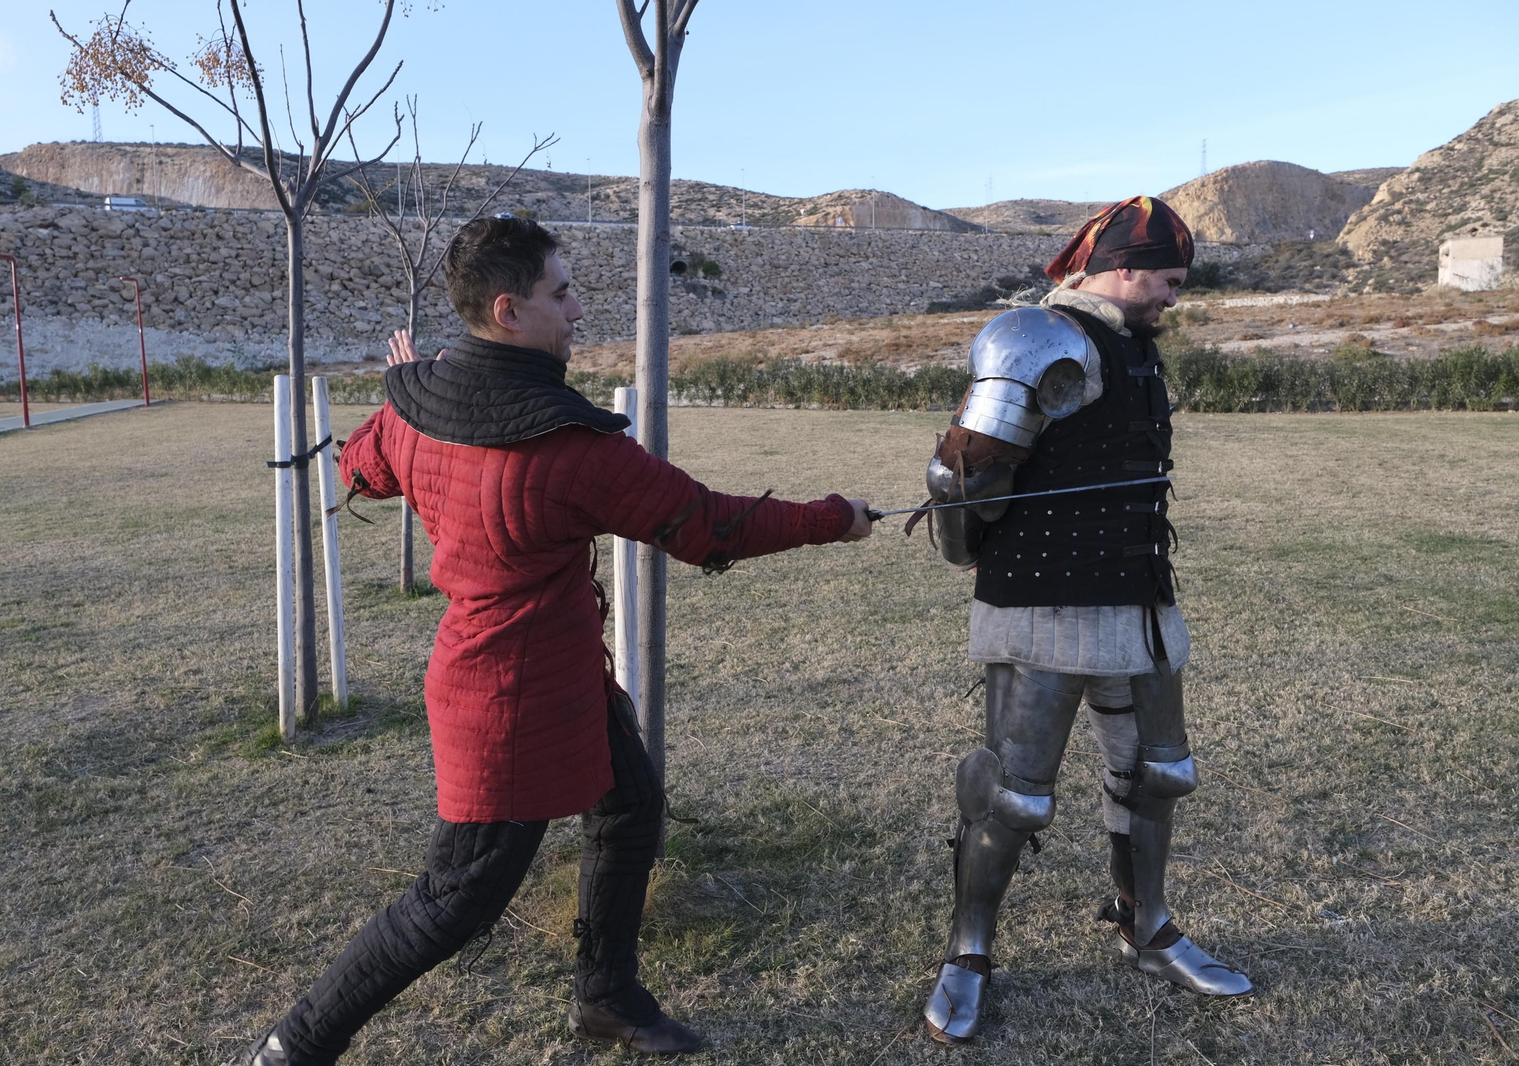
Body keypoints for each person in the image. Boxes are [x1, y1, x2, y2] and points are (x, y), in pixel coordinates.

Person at [247, 217, 872, 1064]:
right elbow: (710, 527)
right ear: (508, 310)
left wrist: (411, 392)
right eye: (562, 292)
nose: (578, 309)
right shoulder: (572, 448)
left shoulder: (418, 410)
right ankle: (293, 1047)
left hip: (560, 673)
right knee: (453, 900)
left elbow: (362, 467)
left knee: (630, 805)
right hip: (505, 702)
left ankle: (606, 998)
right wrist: (833, 517)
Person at [915, 196, 1252, 1044]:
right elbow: (961, 473)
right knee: (1014, 799)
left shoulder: (1134, 346)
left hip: (1139, 602)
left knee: (1161, 775)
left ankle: (1148, 928)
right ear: (1123, 266)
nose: (1173, 297)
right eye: (1168, 281)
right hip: (1044, 605)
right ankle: (968, 951)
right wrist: (965, 550)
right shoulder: (1037, 338)